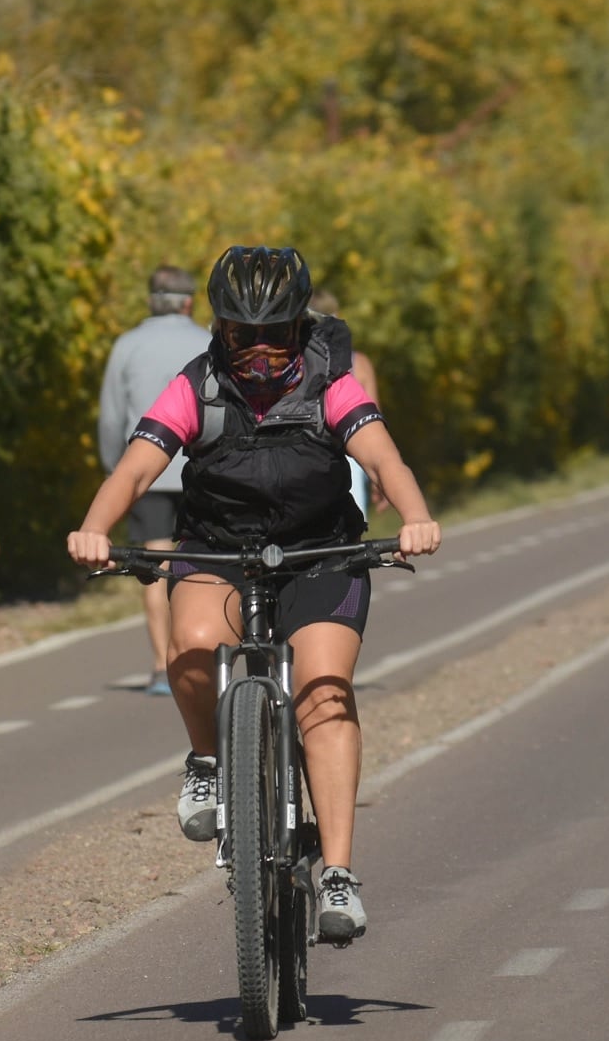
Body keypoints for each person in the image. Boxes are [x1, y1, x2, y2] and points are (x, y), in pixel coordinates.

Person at [66, 246, 441, 943]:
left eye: (277, 333)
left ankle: (336, 874)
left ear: (302, 326)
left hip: (320, 550)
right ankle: (207, 761)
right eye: (244, 334)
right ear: (221, 328)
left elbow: (384, 455)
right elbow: (136, 469)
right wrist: (94, 527)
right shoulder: (199, 384)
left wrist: (415, 516)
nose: (262, 350)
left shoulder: (331, 378)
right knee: (191, 645)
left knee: (325, 692)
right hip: (220, 546)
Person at [98, 266, 212, 696]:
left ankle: (162, 664)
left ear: (151, 299)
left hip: (146, 473)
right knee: (205, 561)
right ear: (187, 302)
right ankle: (203, 653)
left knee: (155, 565)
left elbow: (112, 416)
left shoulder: (127, 346)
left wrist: (116, 470)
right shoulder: (207, 342)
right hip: (202, 468)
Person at [310, 289, 381, 515]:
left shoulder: (299, 364)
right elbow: (374, 421)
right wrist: (382, 475)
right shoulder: (358, 363)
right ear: (337, 315)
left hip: (311, 455)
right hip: (352, 454)